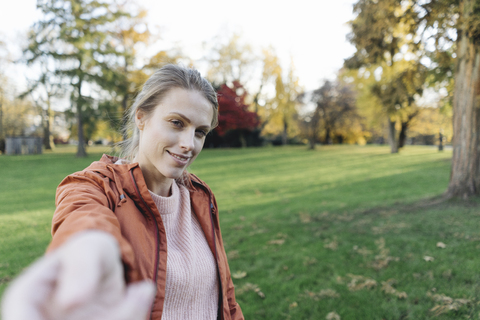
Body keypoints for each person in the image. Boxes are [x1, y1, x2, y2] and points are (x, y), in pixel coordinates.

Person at [1, 64, 244, 320]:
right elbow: (82, 216)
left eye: (200, 132)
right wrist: (89, 248)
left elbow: (226, 299)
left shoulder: (201, 196)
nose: (188, 144)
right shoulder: (96, 186)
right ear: (141, 118)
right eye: (176, 123)